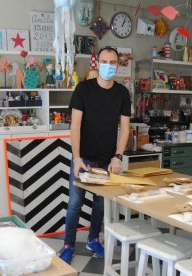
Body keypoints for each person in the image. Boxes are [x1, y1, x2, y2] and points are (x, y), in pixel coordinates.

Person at [59, 46, 131, 264]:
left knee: (100, 205)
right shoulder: (83, 89)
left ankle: (92, 240)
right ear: (97, 63)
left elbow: (125, 128)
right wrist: (77, 158)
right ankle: (68, 245)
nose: (109, 65)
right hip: (84, 158)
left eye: (113, 62)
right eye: (105, 61)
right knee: (74, 203)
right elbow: (75, 126)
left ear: (118, 65)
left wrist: (117, 156)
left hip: (107, 160)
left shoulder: (122, 93)